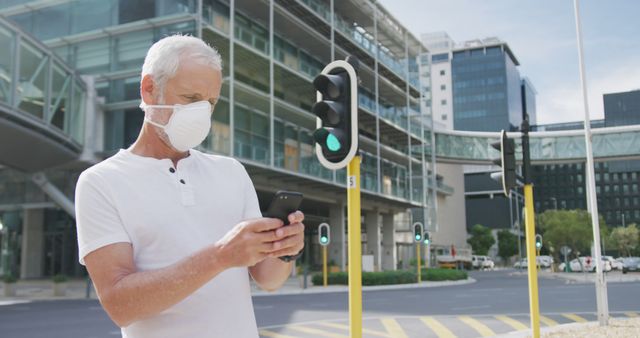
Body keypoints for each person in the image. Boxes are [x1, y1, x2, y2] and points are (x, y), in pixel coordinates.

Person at [75, 35, 305, 338]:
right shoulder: (101, 182)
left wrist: (285, 248)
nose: (202, 113)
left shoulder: (232, 172)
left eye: (210, 102)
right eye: (190, 98)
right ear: (149, 89)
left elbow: (269, 278)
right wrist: (220, 256)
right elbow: (120, 305)